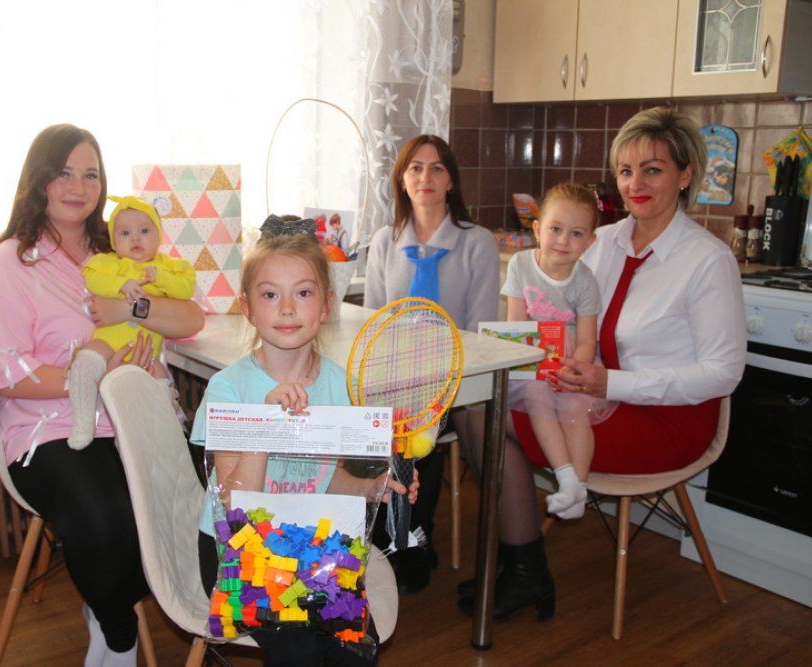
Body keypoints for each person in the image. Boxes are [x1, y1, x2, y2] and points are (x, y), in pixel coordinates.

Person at [457, 107, 746, 621]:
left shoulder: (707, 260)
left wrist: (612, 382)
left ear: (684, 176)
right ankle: (523, 565)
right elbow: (559, 306)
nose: (636, 184)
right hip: (590, 392)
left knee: (483, 415)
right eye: (626, 170)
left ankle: (524, 571)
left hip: (666, 418)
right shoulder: (601, 240)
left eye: (653, 170)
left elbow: (723, 373)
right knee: (478, 407)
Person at [0, 124, 205, 666]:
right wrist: (95, 377)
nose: (78, 187)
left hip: (135, 417)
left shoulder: (121, 246)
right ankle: (118, 630)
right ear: (39, 180)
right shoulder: (13, 261)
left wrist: (133, 309)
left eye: (91, 174)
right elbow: (6, 373)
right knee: (105, 517)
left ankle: (107, 602)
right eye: (64, 172)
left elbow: (191, 318)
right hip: (50, 425)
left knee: (194, 504)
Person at [190, 217, 418, 666]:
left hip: (315, 545)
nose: (287, 309)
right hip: (238, 551)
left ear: (327, 304)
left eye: (304, 293)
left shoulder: (342, 387)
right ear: (248, 307)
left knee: (354, 648)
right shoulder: (228, 390)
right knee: (299, 652)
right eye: (270, 295)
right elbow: (232, 503)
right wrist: (266, 425)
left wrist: (374, 488)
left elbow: (328, 482)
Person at [364, 134, 500, 594]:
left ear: (451, 181)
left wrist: (431, 381)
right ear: (402, 181)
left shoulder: (476, 242)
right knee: (372, 422)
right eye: (416, 168)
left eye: (437, 168)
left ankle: (413, 541)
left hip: (453, 376)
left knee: (418, 432)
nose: (426, 177)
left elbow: (479, 331)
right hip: (394, 375)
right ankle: (383, 536)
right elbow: (373, 322)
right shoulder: (385, 241)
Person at [501, 182, 609, 520]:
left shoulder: (585, 281)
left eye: (576, 233)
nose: (563, 240)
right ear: (537, 229)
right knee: (536, 395)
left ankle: (579, 489)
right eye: (555, 229)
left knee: (575, 406)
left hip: (573, 360)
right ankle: (566, 479)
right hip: (533, 359)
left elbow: (589, 340)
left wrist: (574, 367)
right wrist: (533, 364)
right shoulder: (520, 264)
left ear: (590, 241)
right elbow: (516, 326)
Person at [67, 194, 195, 448]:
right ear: (114, 240)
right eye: (125, 233)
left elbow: (185, 290)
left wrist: (160, 278)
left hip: (145, 351)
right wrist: (121, 285)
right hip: (108, 342)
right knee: (84, 362)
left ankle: (146, 438)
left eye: (144, 231)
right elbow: (93, 280)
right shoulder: (108, 264)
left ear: (158, 236)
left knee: (160, 387)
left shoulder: (170, 266)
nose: (135, 238)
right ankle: (83, 422)